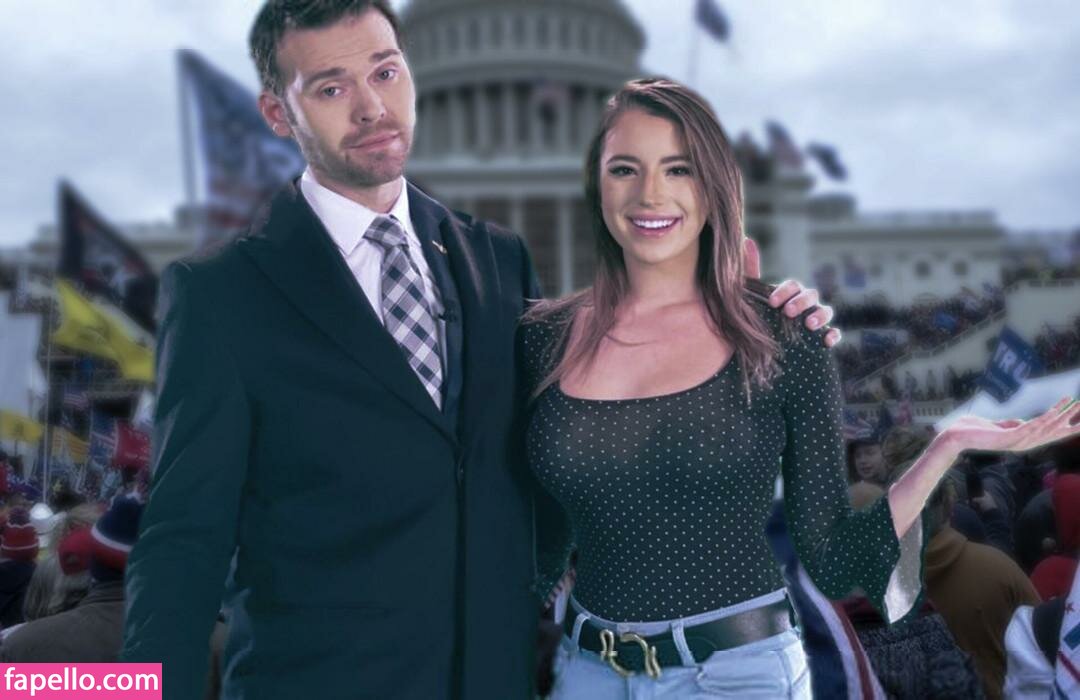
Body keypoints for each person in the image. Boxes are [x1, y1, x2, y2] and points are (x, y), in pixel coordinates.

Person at [118, 2, 840, 698]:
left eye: (385, 73)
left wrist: (730, 322)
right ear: (279, 114)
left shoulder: (497, 262)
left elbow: (554, 464)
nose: (372, 107)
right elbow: (182, 546)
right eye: (331, 88)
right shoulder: (222, 295)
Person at [517, 77, 1080, 698]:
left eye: (679, 169)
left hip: (734, 675)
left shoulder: (781, 332)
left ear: (714, 187)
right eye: (625, 168)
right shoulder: (543, 338)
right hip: (587, 672)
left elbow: (835, 558)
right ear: (595, 182)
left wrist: (944, 448)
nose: (650, 193)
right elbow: (538, 550)